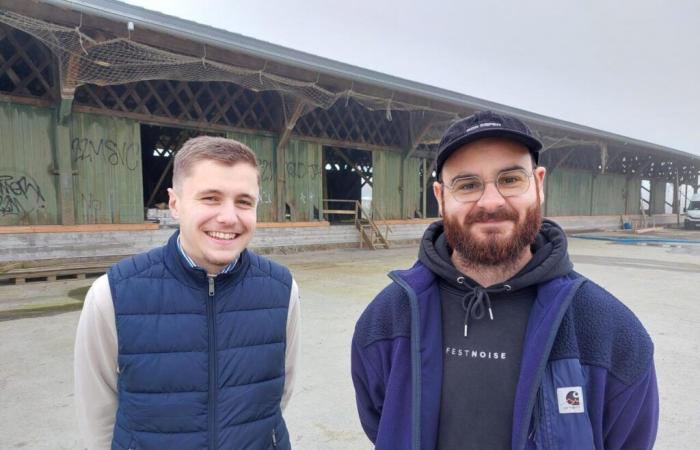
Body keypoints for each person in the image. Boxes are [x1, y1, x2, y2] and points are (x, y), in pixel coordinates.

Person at [351, 110, 658, 450]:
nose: (491, 201)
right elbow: (382, 425)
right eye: (467, 185)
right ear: (440, 197)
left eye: (510, 179)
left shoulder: (612, 332)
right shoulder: (386, 320)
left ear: (538, 184)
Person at [75, 136, 300, 450]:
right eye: (210, 198)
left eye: (244, 202)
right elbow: (96, 411)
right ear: (175, 204)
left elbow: (278, 395)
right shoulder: (112, 295)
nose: (228, 217)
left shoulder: (282, 290)